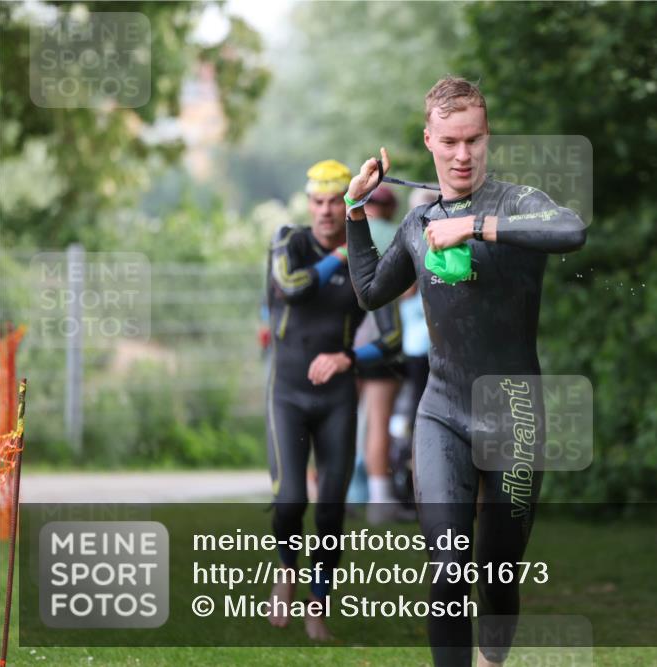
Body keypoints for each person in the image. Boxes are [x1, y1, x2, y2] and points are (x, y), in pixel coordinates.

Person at [344, 77, 586, 667]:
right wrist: (354, 210)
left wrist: (474, 226)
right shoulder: (416, 223)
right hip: (442, 413)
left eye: (473, 139)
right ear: (429, 139)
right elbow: (372, 291)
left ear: (486, 137)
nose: (461, 154)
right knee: (448, 569)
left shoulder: (518, 202)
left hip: (516, 419)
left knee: (497, 573)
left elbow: (572, 230)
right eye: (449, 140)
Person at [264, 159, 401, 641]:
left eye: (334, 202)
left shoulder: (364, 260)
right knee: (289, 500)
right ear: (308, 205)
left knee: (330, 510)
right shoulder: (289, 240)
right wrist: (336, 260)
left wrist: (346, 358)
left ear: (347, 204)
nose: (325, 212)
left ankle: (317, 606)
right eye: (318, 202)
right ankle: (286, 571)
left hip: (337, 398)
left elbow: (392, 339)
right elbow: (291, 287)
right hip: (287, 393)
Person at [352, 185, 413, 524]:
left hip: (342, 341)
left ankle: (333, 494)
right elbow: (410, 291)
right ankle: (378, 501)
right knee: (378, 420)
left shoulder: (346, 234)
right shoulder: (397, 233)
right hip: (381, 340)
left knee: (339, 421)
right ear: (391, 208)